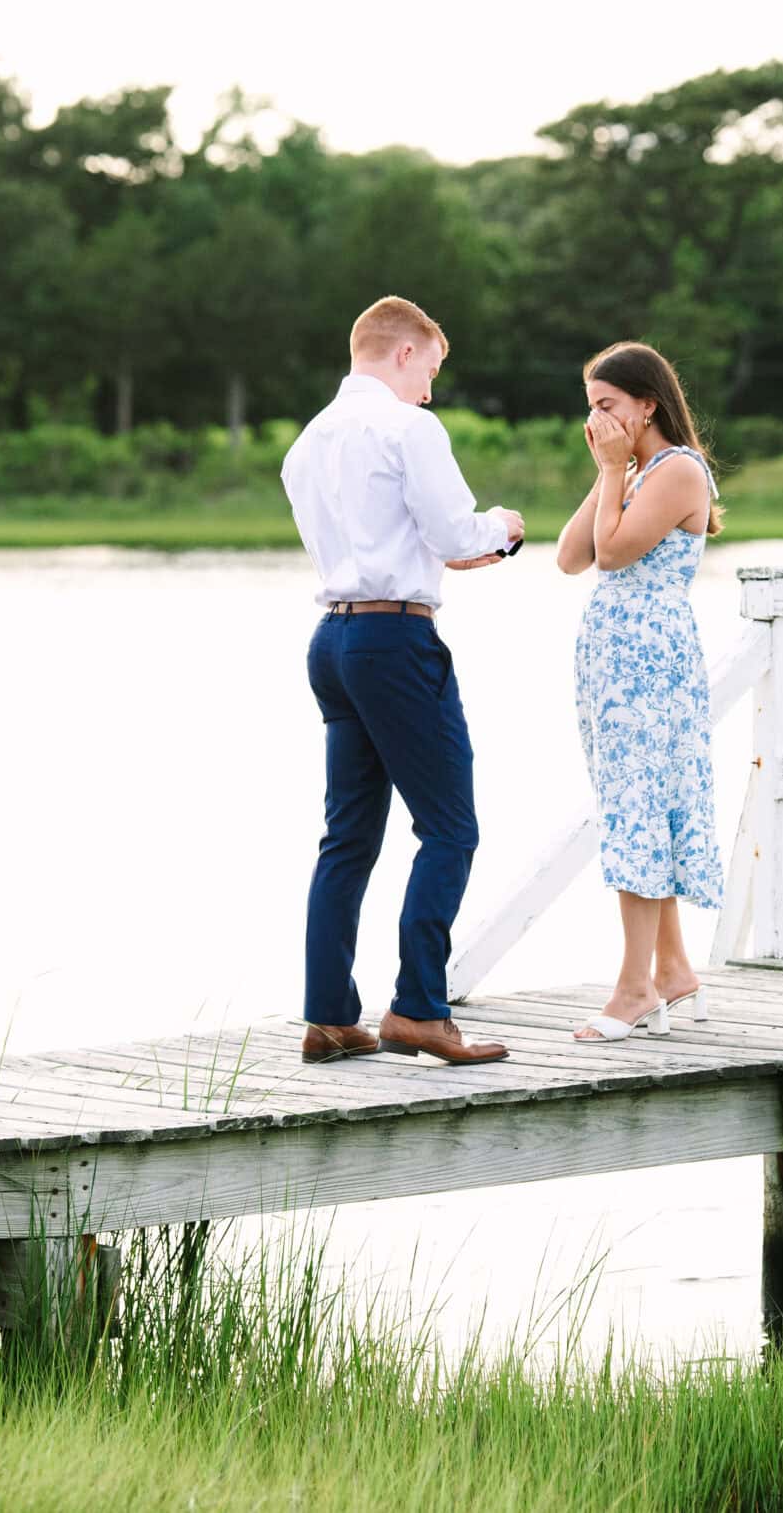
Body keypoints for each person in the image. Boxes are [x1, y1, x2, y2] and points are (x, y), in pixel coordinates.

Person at [279, 296, 523, 1068]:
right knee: (450, 828)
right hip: (394, 639)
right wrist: (505, 532)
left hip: (334, 639)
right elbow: (455, 535)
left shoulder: (308, 442)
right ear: (406, 353)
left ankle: (328, 1017)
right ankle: (418, 1010)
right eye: (432, 372)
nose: (431, 391)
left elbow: (387, 539)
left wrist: (452, 552)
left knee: (346, 838)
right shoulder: (408, 426)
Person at [553, 342, 725, 1042]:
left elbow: (617, 552)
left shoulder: (679, 470)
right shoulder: (633, 471)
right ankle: (674, 969)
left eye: (607, 406)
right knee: (634, 803)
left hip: (650, 664)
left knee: (640, 810)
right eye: (591, 408)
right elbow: (572, 558)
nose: (596, 420)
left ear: (646, 404)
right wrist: (610, 473)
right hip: (613, 663)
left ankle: (634, 988)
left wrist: (614, 471)